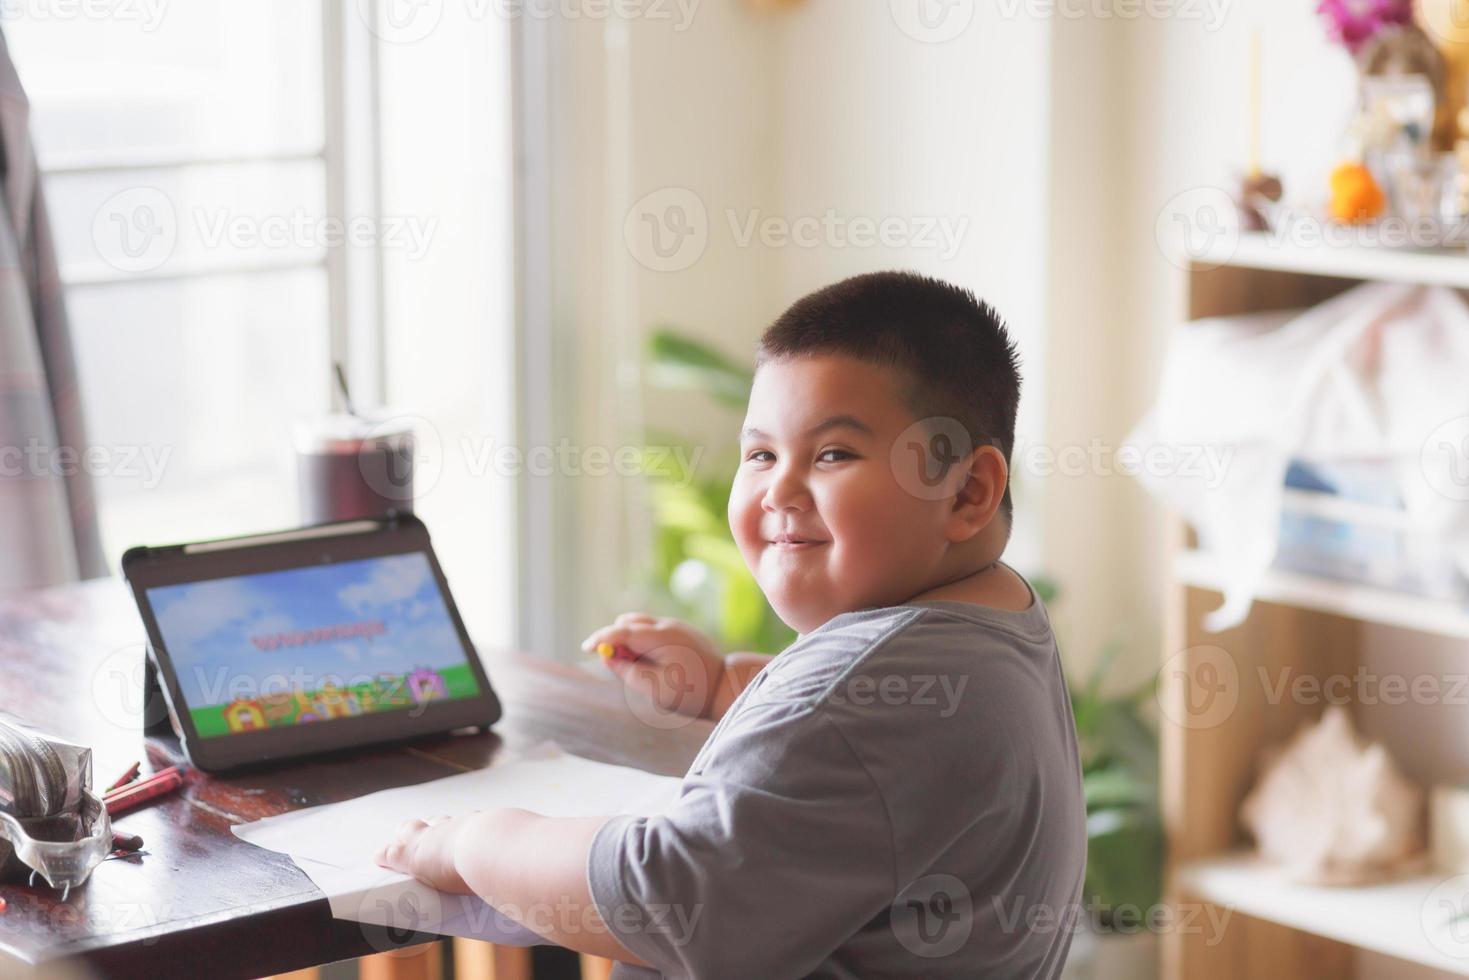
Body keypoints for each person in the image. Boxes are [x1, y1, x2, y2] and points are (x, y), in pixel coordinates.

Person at [376, 270, 1086, 979]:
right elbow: (870, 766)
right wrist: (725, 686)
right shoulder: (990, 622)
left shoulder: (864, 691)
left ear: (968, 491)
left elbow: (668, 899)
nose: (778, 489)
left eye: (833, 453)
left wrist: (476, 843)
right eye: (761, 454)